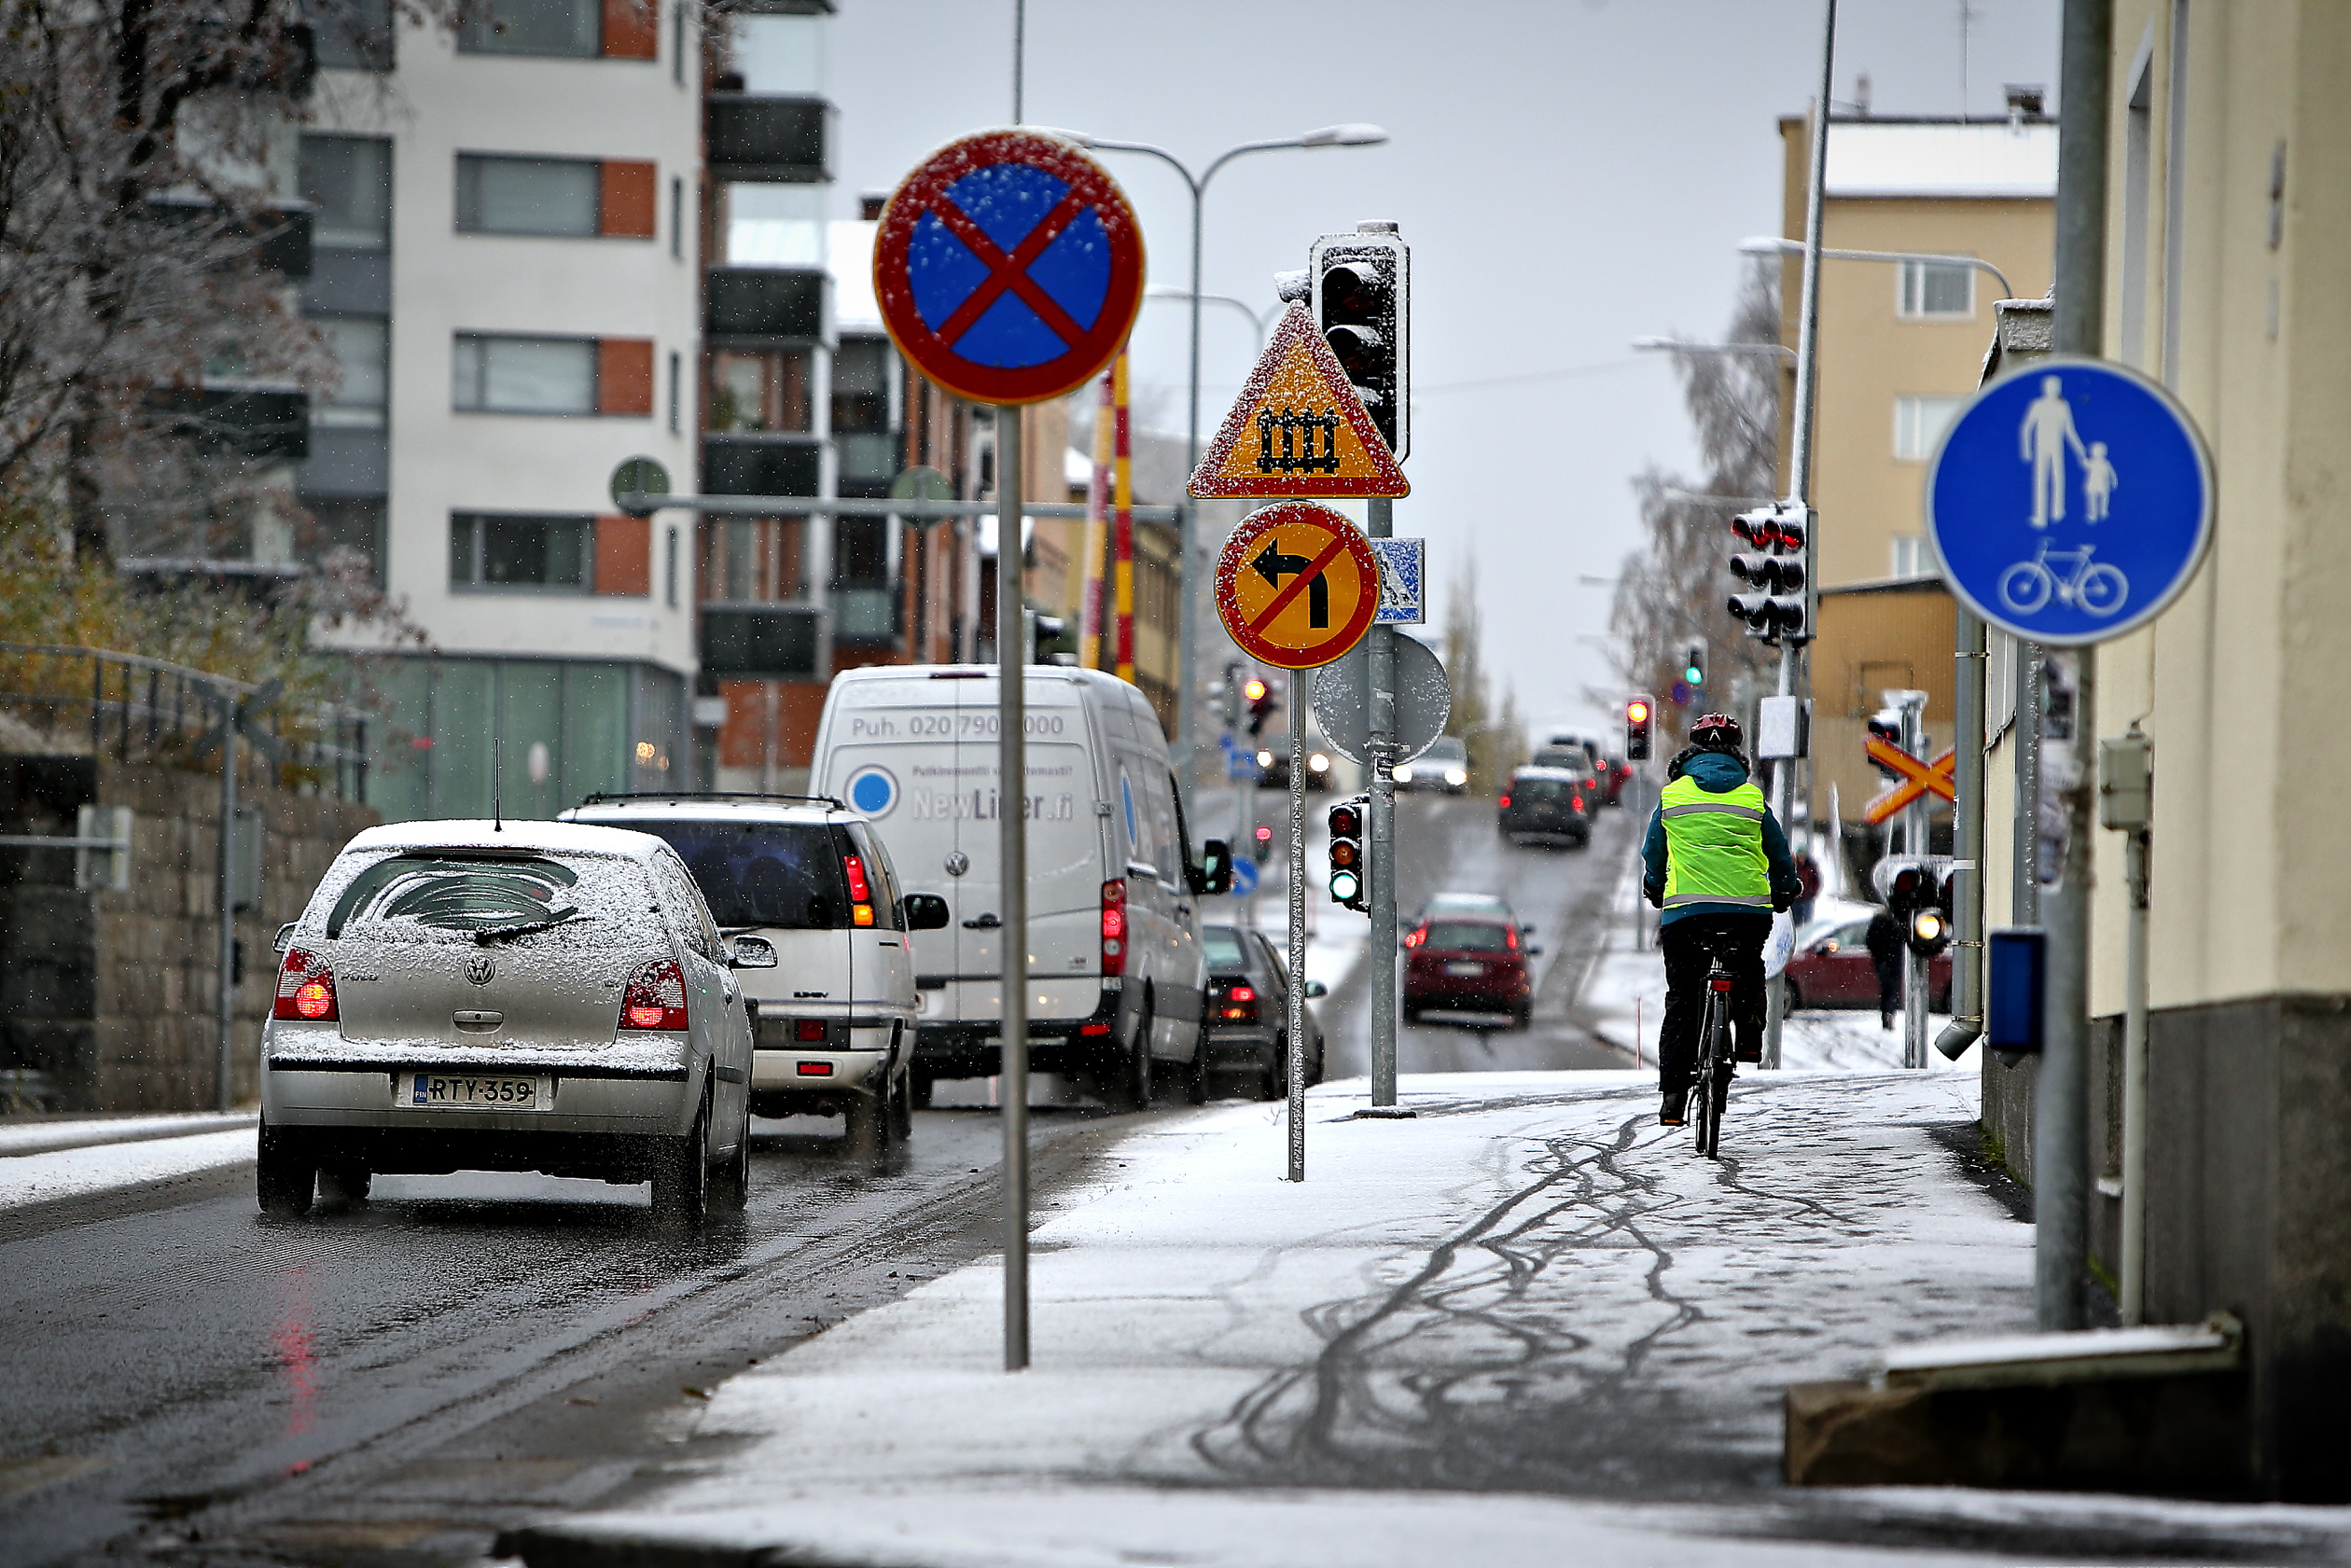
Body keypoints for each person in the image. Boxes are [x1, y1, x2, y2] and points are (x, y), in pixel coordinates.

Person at [1641, 714, 1803, 1126]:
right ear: (1738, 755)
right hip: (1746, 911)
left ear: (1690, 753)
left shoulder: (1673, 797)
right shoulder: (1751, 799)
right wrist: (1785, 888)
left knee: (1682, 999)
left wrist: (1656, 887)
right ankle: (1749, 1036)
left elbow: (1654, 854)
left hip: (1686, 915)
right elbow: (1779, 854)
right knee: (1747, 964)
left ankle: (1674, 1098)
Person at [1866, 905, 1905, 1031]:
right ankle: (1889, 1012)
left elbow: (1870, 941)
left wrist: (1877, 953)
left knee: (1887, 989)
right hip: (1894, 960)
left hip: (1883, 960)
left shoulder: (1878, 924)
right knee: (1892, 989)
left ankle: (1887, 1013)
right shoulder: (1896, 923)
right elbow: (1902, 939)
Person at [1793, 851, 1822, 928]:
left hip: (1807, 898)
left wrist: (1812, 893)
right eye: (1799, 856)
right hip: (1795, 899)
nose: (1801, 858)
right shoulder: (1794, 866)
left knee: (1807, 922)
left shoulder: (1810, 866)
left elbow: (1816, 881)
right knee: (1795, 922)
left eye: (1802, 856)